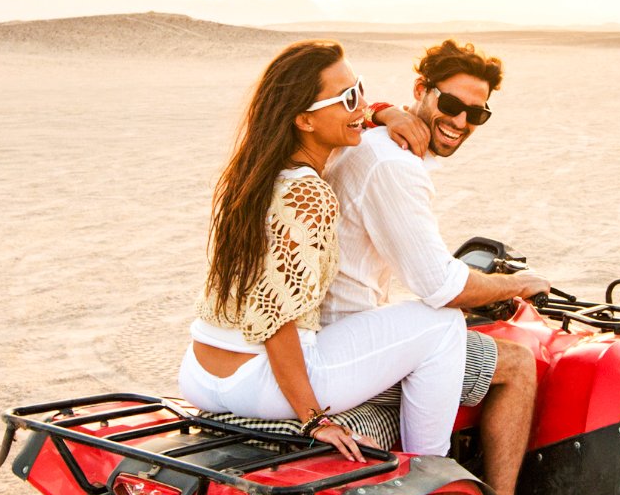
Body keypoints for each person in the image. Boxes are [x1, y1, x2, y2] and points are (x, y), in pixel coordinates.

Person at [329, 40, 583, 495]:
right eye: (451, 105)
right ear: (421, 91)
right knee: (513, 364)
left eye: (478, 113)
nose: (461, 121)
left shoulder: (365, 136)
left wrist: (383, 109)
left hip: (338, 324)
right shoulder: (395, 164)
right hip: (346, 340)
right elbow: (442, 287)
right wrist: (516, 284)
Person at [178, 42, 470, 462]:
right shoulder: (309, 193)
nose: (364, 105)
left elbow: (343, 111)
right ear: (303, 120)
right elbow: (276, 319)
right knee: (443, 324)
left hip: (200, 373)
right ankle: (428, 473)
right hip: (261, 384)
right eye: (351, 98)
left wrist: (383, 112)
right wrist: (315, 419)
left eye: (362, 89)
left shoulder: (253, 175)